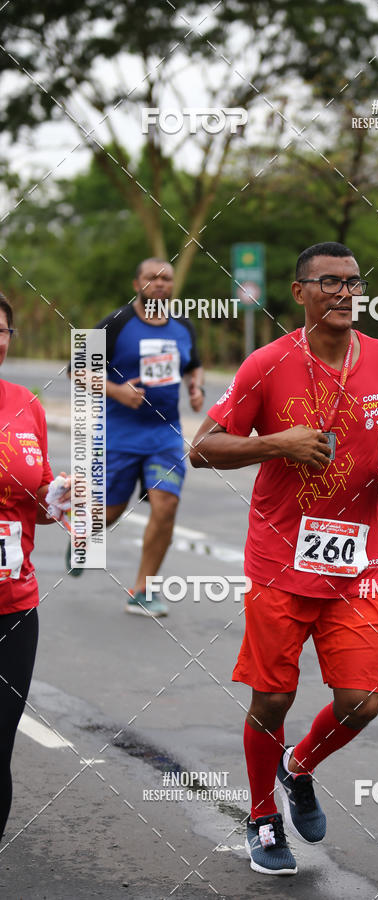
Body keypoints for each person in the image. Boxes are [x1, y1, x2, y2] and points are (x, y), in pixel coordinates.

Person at [190, 242, 378, 875]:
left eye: (353, 282)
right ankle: (262, 818)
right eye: (329, 283)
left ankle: (299, 766)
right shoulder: (267, 364)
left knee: (362, 701)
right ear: (300, 293)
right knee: (272, 701)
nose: (344, 292)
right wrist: (274, 444)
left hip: (356, 564)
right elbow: (202, 447)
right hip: (281, 560)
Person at [66, 259, 204, 618]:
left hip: (165, 435)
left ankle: (142, 590)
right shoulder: (117, 323)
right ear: (137, 283)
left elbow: (194, 365)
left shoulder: (183, 326)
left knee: (166, 505)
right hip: (119, 435)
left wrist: (196, 387)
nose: (159, 284)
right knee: (109, 512)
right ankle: (83, 533)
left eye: (166, 279)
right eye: (151, 278)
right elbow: (76, 370)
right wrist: (117, 391)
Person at [0, 293, 71, 840]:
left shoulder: (26, 403)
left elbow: (36, 500)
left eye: (2, 330)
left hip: (13, 607)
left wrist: (60, 496)